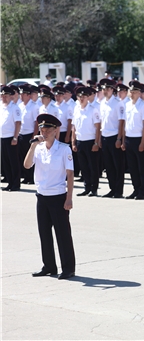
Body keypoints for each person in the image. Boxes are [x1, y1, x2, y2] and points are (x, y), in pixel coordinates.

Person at [24, 114, 76, 280]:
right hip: (42, 196)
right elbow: (26, 165)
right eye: (41, 129)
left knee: (62, 234)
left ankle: (68, 268)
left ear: (55, 130)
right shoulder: (38, 148)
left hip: (58, 196)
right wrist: (32, 147)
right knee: (44, 233)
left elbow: (70, 174)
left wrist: (69, 198)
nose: (44, 132)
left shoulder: (63, 149)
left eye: (47, 129)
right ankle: (49, 266)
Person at [72, 87, 101, 197]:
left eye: (83, 96)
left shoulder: (93, 110)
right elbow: (74, 127)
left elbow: (98, 127)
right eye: (79, 96)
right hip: (80, 141)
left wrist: (96, 143)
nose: (81, 98)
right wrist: (73, 142)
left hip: (90, 141)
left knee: (93, 166)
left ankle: (94, 189)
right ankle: (86, 187)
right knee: (83, 167)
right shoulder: (76, 109)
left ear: (88, 97)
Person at [99, 79, 126, 198]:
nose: (105, 91)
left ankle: (118, 190)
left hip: (114, 136)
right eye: (104, 89)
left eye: (108, 89)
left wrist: (119, 139)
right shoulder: (102, 103)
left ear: (112, 90)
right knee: (108, 165)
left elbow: (121, 122)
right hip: (104, 136)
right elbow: (101, 122)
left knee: (117, 165)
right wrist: (99, 138)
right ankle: (112, 188)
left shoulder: (117, 103)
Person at [1, 85, 22, 191]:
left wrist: (15, 137)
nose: (4, 97)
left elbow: (18, 123)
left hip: (10, 138)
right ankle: (9, 182)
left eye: (6, 96)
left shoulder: (14, 108)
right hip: (2, 137)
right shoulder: (1, 106)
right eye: (2, 95)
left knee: (13, 161)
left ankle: (16, 184)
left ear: (10, 96)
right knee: (5, 162)